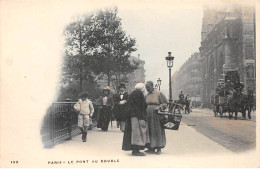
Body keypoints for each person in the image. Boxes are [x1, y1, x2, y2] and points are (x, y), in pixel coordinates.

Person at [122, 83, 150, 156]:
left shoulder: (132, 94)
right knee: (137, 133)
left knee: (132, 133)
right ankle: (136, 150)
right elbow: (143, 105)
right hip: (137, 116)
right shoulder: (140, 94)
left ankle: (134, 149)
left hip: (131, 115)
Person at [145, 81, 168, 155]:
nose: (147, 89)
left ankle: (159, 148)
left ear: (152, 86)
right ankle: (151, 148)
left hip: (157, 115)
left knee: (157, 130)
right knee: (150, 130)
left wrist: (159, 107)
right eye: (146, 87)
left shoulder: (158, 93)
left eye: (148, 87)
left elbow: (165, 103)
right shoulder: (146, 95)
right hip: (148, 115)